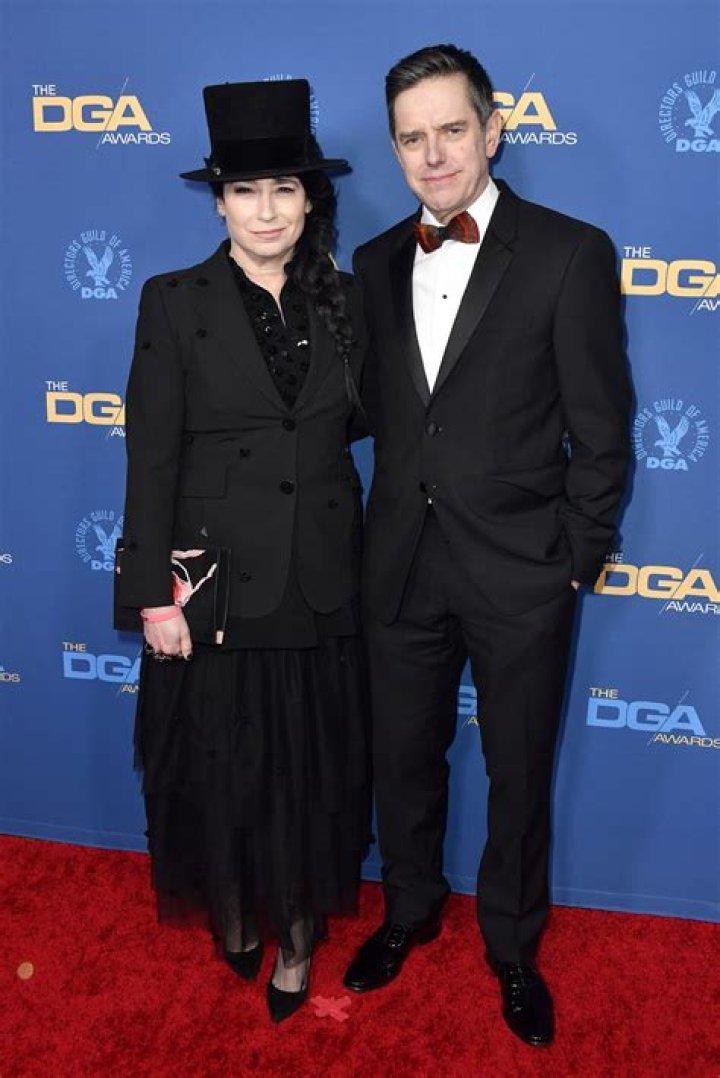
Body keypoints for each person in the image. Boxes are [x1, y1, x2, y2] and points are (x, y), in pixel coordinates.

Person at [343, 44, 631, 1047]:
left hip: (521, 572)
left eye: (452, 130)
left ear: (493, 131)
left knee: (518, 772)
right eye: (412, 138)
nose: (433, 156)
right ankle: (409, 909)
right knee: (402, 759)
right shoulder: (373, 262)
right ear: (394, 148)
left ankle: (512, 944)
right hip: (400, 565)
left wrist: (571, 561)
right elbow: (370, 413)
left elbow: (603, 429)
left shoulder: (569, 252)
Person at [115, 79, 369, 1024]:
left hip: (321, 581)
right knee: (223, 770)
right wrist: (153, 595)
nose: (267, 211)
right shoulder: (172, 301)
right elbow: (151, 456)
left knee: (309, 773)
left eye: (285, 189)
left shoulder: (348, 301)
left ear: (310, 199)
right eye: (246, 191)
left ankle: (296, 940)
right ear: (219, 201)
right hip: (213, 587)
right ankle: (233, 913)